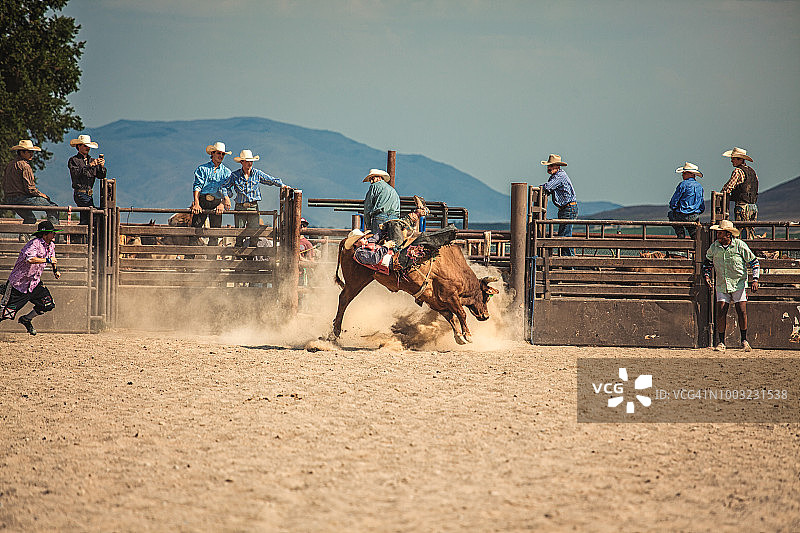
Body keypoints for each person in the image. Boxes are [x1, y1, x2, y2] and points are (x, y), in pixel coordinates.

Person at [702, 219, 759, 352]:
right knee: (721, 311)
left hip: (738, 282)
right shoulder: (714, 247)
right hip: (722, 283)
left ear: (728, 234)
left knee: (741, 310)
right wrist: (706, 275)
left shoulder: (740, 245)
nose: (718, 236)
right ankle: (721, 342)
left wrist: (755, 279)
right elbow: (707, 262)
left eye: (720, 233)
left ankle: (744, 340)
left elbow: (754, 262)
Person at [0, 220, 61, 335]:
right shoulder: (34, 244)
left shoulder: (51, 245)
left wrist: (55, 271)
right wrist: (48, 260)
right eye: (52, 233)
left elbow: (53, 258)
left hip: (34, 283)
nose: (54, 235)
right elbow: (30, 259)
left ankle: (26, 319)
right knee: (6, 313)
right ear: (45, 234)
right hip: (19, 284)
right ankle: (5, 289)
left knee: (48, 304)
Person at [226, 149, 285, 245]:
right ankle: (239, 256)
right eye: (247, 161)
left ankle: (251, 256)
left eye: (251, 161)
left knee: (254, 233)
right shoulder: (235, 175)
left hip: (253, 206)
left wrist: (282, 185)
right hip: (240, 207)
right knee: (239, 233)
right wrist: (227, 196)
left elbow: (270, 180)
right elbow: (225, 187)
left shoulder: (257, 173)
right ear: (242, 162)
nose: (250, 163)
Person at [3, 140, 59, 226]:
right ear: (22, 152)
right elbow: (30, 189)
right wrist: (41, 195)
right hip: (21, 198)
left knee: (30, 219)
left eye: (32, 152)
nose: (31, 154)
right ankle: (53, 234)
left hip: (9, 199)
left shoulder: (10, 165)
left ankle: (24, 236)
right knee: (53, 207)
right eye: (29, 152)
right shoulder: (25, 166)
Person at [191, 141, 233, 246]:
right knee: (194, 231)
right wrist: (196, 203)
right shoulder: (202, 169)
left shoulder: (227, 172)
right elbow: (197, 186)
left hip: (216, 202)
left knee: (215, 233)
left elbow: (228, 190)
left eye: (223, 154)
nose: (221, 156)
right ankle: (190, 258)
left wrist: (222, 204)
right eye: (219, 153)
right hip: (203, 201)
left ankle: (211, 260)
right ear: (212, 153)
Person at [67, 134, 107, 242]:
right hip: (80, 192)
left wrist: (102, 167)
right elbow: (76, 174)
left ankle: (80, 240)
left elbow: (101, 176)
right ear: (78, 147)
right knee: (92, 217)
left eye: (88, 146)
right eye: (85, 146)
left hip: (88, 194)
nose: (87, 148)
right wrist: (90, 165)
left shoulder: (91, 160)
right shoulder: (73, 160)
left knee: (87, 218)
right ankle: (84, 240)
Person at [540, 154, 577, 257]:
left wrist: (540, 188)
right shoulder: (557, 176)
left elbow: (548, 187)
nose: (549, 168)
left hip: (567, 208)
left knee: (564, 236)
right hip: (567, 208)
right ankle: (568, 262)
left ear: (557, 166)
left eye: (551, 166)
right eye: (548, 166)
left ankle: (570, 262)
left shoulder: (559, 177)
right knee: (564, 235)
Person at [721, 147, 758, 240]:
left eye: (733, 158)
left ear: (740, 159)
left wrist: (722, 194)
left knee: (741, 230)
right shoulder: (752, 171)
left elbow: (728, 188)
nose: (731, 161)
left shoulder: (738, 171)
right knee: (750, 230)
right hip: (753, 206)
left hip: (742, 206)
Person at [668, 162, 705, 239]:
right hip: (694, 215)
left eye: (684, 173)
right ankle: (696, 242)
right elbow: (702, 205)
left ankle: (680, 234)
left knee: (671, 214)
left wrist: (675, 208)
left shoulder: (683, 184)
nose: (682, 175)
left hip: (681, 215)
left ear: (690, 174)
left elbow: (673, 202)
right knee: (693, 231)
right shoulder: (699, 186)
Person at [363, 169, 400, 234]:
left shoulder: (374, 186)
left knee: (376, 240)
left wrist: (368, 225)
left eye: (372, 178)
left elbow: (367, 207)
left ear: (379, 178)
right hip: (394, 219)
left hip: (380, 218)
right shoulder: (392, 190)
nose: (371, 182)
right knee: (391, 240)